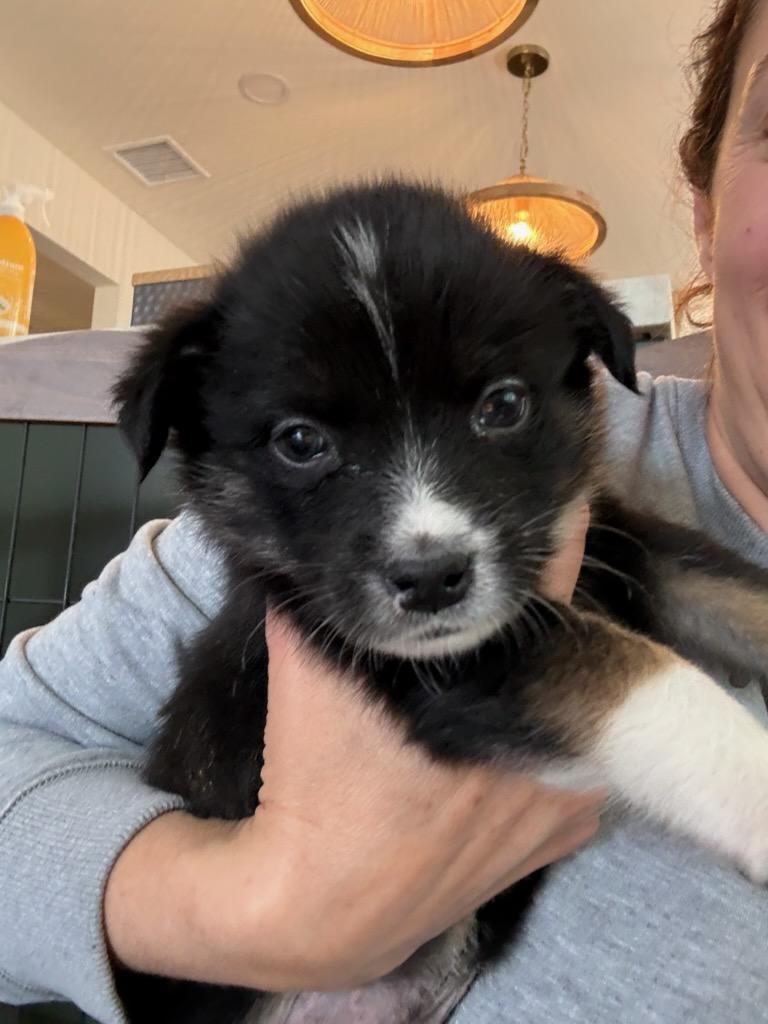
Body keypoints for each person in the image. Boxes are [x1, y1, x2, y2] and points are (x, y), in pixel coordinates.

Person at [1, 0, 767, 1020]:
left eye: (497, 406)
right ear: (705, 205)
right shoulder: (262, 573)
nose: (426, 528)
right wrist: (263, 909)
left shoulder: (582, 489)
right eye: (306, 444)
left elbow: (662, 579)